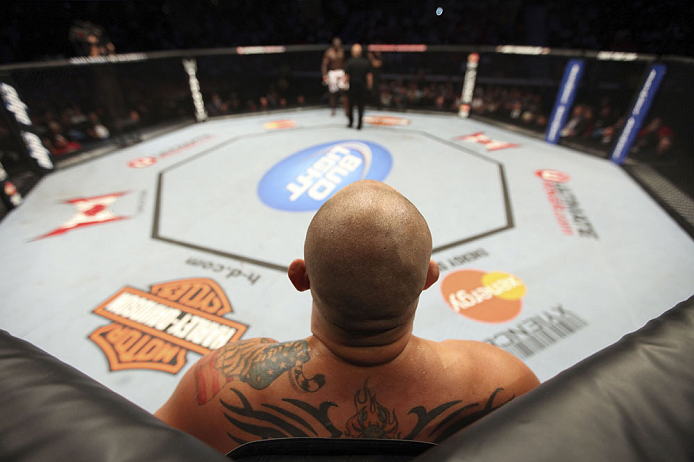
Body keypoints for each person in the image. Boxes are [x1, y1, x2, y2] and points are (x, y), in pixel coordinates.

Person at [155, 180, 540, 454]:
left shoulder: (219, 385)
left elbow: (136, 444)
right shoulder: (503, 381)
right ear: (429, 278)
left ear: (299, 276)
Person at [344, 44, 373, 130]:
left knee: (351, 105)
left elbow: (347, 76)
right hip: (362, 87)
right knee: (361, 106)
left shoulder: (349, 62)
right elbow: (369, 76)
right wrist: (370, 87)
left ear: (353, 52)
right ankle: (359, 124)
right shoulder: (366, 62)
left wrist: (344, 85)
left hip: (352, 86)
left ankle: (351, 122)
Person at [321, 37, 347, 116]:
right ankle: (333, 109)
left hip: (341, 72)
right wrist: (325, 75)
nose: (337, 45)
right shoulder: (329, 52)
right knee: (332, 92)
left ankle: (346, 109)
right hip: (332, 72)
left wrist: (345, 73)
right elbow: (324, 65)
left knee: (344, 91)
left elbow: (344, 63)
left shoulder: (342, 51)